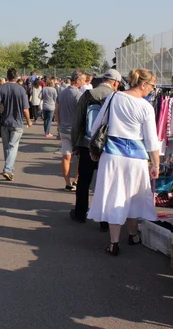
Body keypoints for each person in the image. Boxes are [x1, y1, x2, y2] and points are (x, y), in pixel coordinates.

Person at [87, 68, 160, 256]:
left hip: (112, 155)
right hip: (136, 158)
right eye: (152, 85)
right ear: (143, 84)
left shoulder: (114, 97)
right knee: (133, 197)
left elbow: (97, 125)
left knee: (114, 196)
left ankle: (114, 242)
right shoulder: (146, 107)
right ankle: (133, 234)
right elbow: (151, 140)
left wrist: (93, 149)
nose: (152, 89)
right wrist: (156, 164)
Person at [69, 69, 122, 227]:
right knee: (106, 183)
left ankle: (80, 213)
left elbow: (77, 121)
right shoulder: (116, 97)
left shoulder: (88, 95)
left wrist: (75, 144)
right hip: (108, 146)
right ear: (115, 82)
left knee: (84, 181)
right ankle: (105, 221)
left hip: (87, 144)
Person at [0, 68, 32, 181]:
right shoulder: (21, 89)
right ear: (17, 76)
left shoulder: (1, 88)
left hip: (4, 122)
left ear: (7, 76)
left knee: (7, 147)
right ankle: (8, 169)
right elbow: (25, 109)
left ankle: (9, 169)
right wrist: (28, 121)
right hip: (17, 122)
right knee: (13, 146)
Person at [55, 69, 86, 191]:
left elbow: (56, 110)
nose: (84, 82)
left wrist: (59, 123)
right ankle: (76, 181)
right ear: (77, 80)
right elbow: (82, 114)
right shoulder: (79, 95)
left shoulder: (62, 93)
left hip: (63, 129)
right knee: (80, 158)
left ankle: (67, 182)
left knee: (66, 157)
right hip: (76, 131)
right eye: (83, 80)